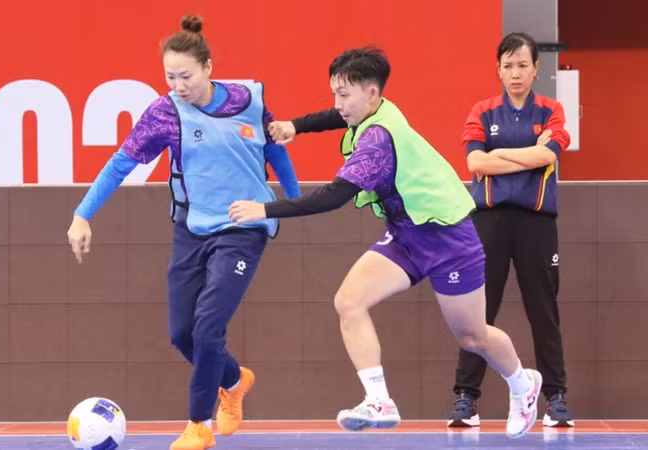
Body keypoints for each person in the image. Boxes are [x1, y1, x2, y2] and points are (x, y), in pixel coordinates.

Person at [229, 46, 540, 439]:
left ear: (372, 94)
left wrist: (265, 210)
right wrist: (296, 126)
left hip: (448, 238)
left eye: (344, 94)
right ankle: (379, 400)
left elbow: (334, 197)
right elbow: (336, 117)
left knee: (473, 335)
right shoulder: (375, 110)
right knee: (349, 301)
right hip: (406, 233)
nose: (338, 103)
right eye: (335, 93)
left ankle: (523, 385)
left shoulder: (378, 138)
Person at [66, 14, 301, 450]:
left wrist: (292, 201)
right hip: (191, 228)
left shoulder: (250, 98)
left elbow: (275, 153)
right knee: (182, 334)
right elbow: (122, 162)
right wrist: (83, 214)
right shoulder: (164, 112)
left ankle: (199, 426)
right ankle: (234, 380)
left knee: (209, 326)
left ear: (209, 67)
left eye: (186, 75)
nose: (178, 84)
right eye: (170, 76)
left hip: (244, 225)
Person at [447, 31, 574, 428]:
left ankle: (555, 398)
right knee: (478, 311)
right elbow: (476, 165)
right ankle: (467, 398)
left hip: (537, 223)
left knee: (544, 311)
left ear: (536, 69)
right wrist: (529, 157)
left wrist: (499, 154)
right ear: (498, 70)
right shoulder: (482, 112)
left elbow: (549, 152)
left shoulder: (551, 110)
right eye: (508, 66)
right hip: (489, 221)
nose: (515, 73)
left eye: (523, 65)